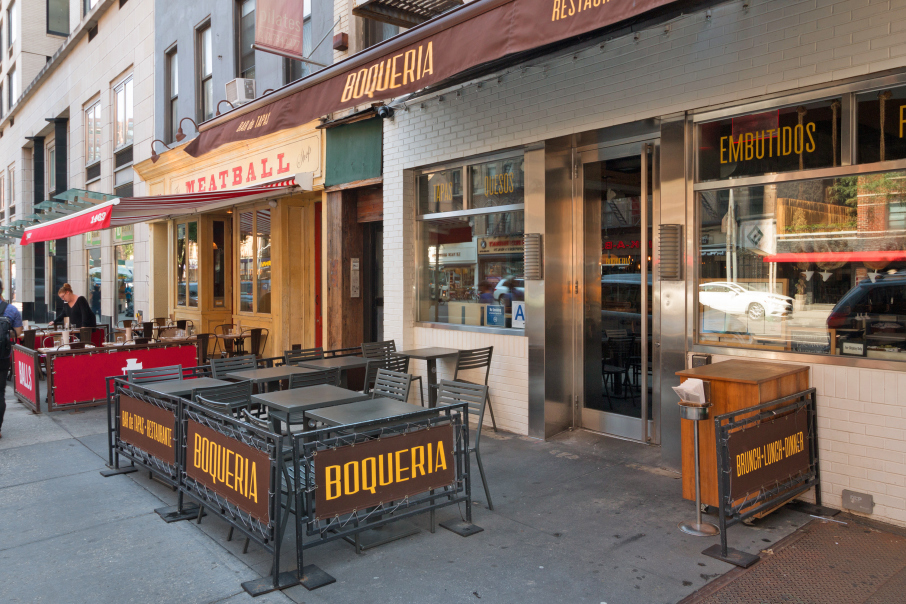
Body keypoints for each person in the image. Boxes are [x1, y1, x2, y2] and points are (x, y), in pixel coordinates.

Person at [0, 279, 24, 438]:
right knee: (0, 392)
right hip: (2, 356)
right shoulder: (11, 309)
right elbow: (18, 332)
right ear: (2, 289)